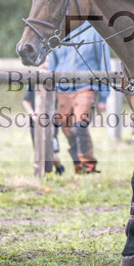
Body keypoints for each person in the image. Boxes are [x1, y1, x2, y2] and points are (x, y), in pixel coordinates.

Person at [46, 25, 111, 174]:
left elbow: (104, 63)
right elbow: (53, 63)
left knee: (79, 125)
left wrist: (104, 96)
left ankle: (88, 166)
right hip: (62, 89)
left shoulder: (95, 31)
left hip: (86, 87)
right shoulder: (59, 31)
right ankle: (78, 164)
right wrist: (51, 87)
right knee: (67, 128)